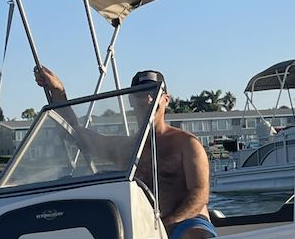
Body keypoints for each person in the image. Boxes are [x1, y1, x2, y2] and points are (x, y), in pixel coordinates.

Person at [34, 66, 217, 239]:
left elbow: (200, 193)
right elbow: (74, 133)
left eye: (154, 94)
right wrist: (58, 91)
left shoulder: (187, 144)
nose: (148, 100)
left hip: (185, 222)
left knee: (194, 235)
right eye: (141, 95)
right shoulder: (125, 148)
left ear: (166, 100)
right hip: (140, 224)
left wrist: (165, 225)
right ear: (131, 100)